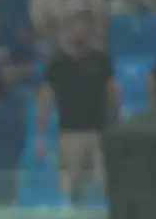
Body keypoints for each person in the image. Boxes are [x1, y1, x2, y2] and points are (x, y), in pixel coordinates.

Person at [35, 13, 118, 202]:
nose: (79, 34)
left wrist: (113, 123)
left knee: (105, 183)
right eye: (75, 28)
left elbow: (113, 92)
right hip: (70, 133)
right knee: (69, 185)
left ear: (89, 31)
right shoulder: (57, 63)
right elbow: (46, 98)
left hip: (99, 132)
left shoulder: (101, 60)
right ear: (67, 31)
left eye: (83, 29)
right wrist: (40, 135)